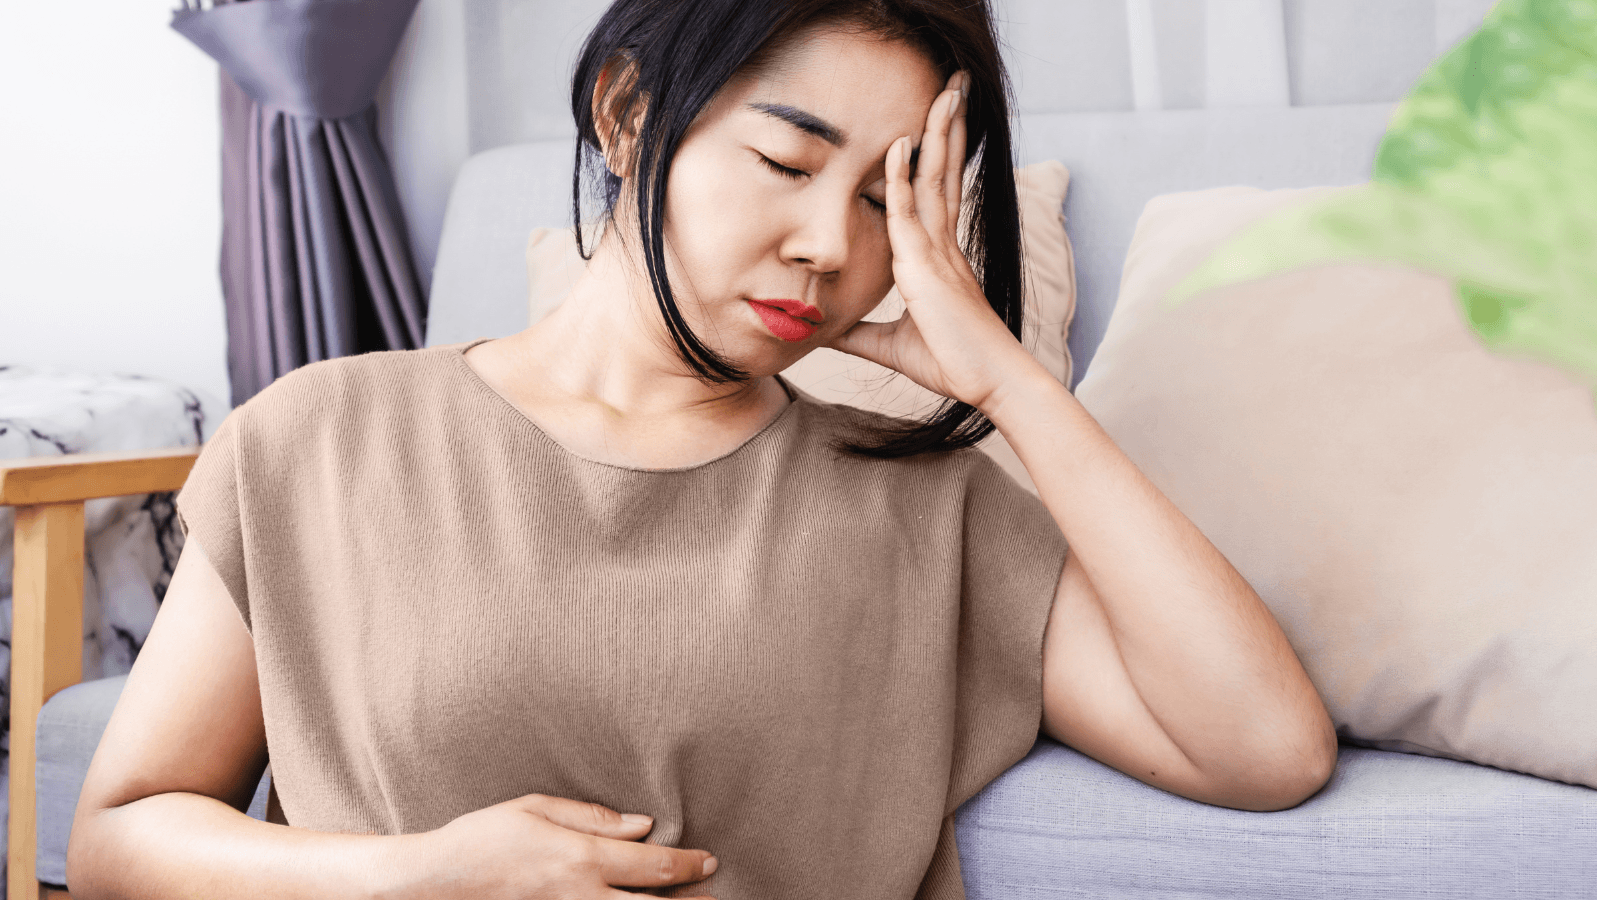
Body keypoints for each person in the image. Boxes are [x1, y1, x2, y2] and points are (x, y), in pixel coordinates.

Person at [66, 1, 1339, 898]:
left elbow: (1264, 750)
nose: (830, 250)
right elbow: (122, 837)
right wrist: (420, 876)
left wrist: (1007, 381)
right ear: (628, 115)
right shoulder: (318, 441)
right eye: (786, 161)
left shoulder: (926, 507)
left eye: (885, 203)